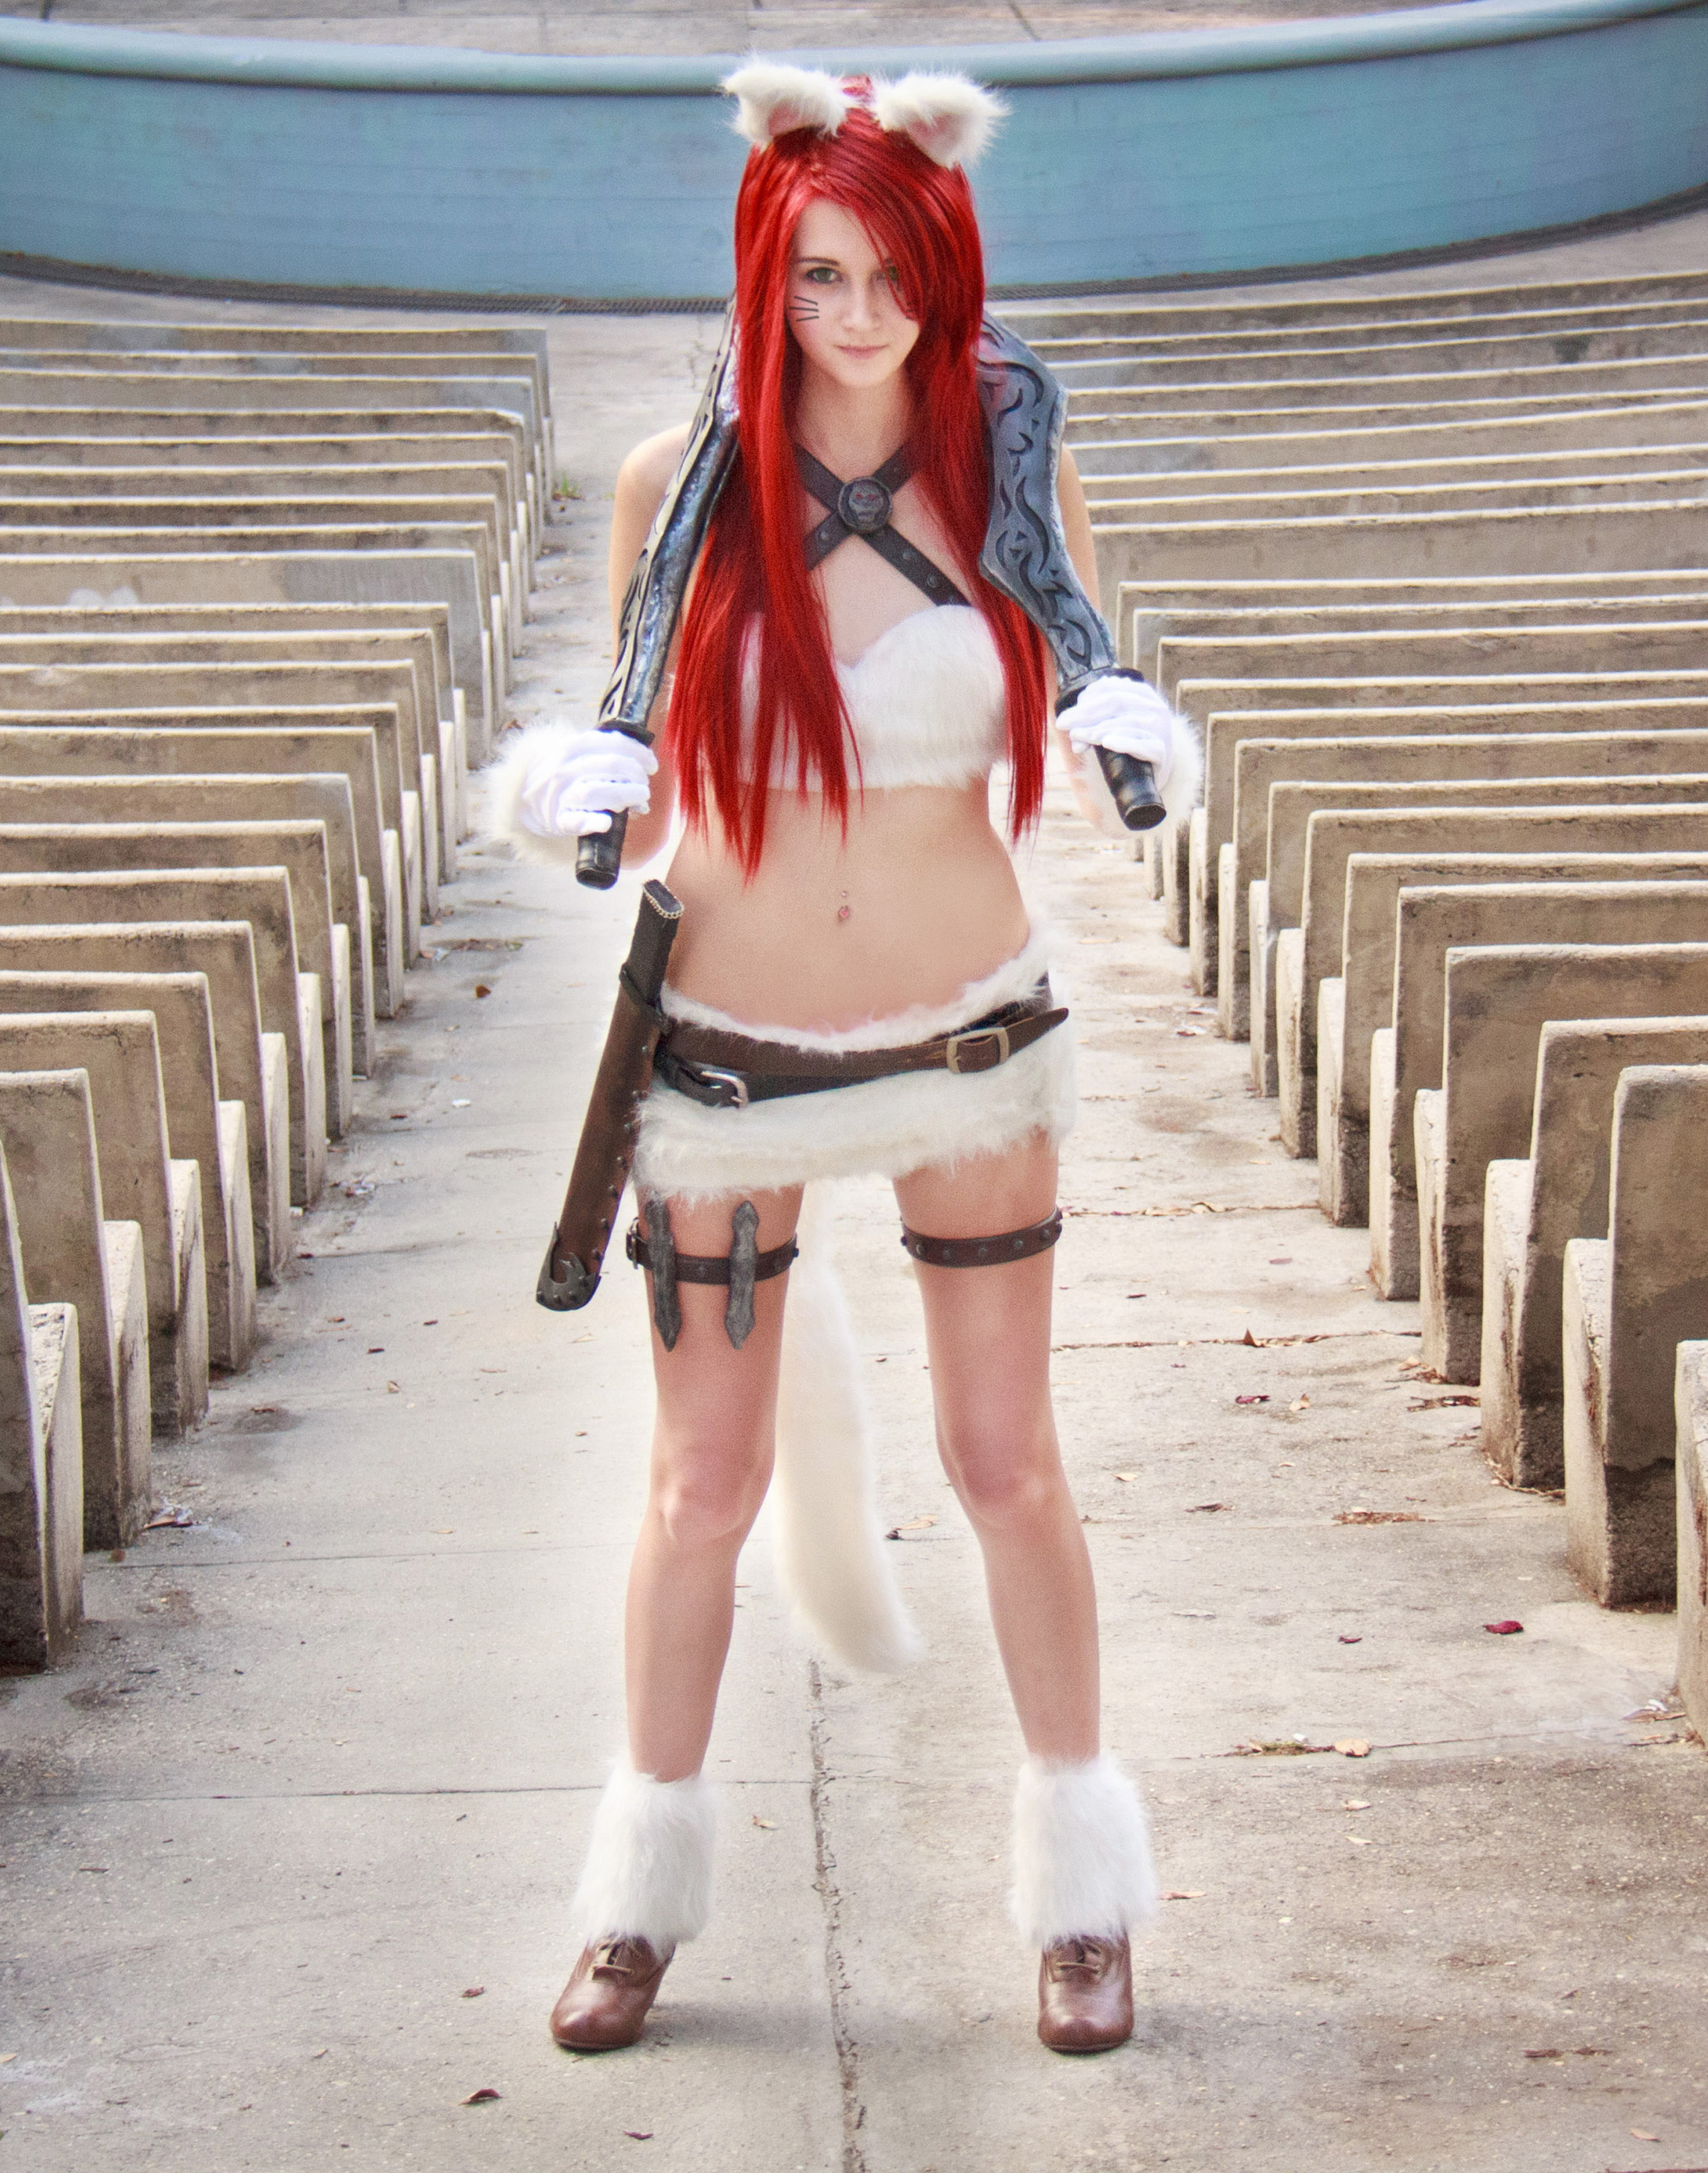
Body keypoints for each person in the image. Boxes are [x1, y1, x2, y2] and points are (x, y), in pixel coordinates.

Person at [490, 58, 1196, 2059]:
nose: (860, 313)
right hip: (728, 1053)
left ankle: (1082, 1895)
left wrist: (1140, 740)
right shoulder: (679, 489)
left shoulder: (1012, 473)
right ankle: (636, 1898)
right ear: (764, 274)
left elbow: (1084, 698)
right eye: (817, 276)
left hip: (973, 1038)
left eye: (893, 272)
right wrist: (572, 798)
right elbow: (638, 779)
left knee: (1006, 1461)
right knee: (702, 1482)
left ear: (946, 268)